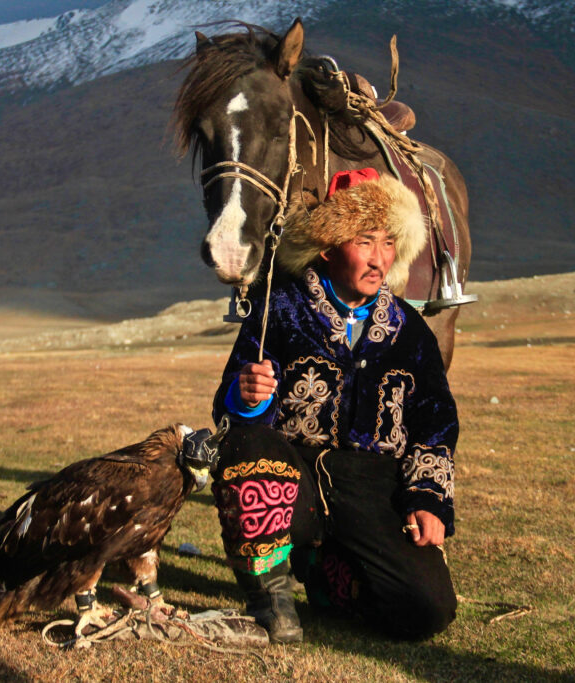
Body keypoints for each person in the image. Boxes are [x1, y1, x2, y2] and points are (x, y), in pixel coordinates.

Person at [210, 168, 459, 643]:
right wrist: (245, 399)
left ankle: (326, 571)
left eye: (389, 244)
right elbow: (231, 412)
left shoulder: (410, 331)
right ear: (328, 247)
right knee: (246, 447)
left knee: (426, 611)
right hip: (293, 474)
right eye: (365, 242)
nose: (379, 260)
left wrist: (428, 498)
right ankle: (271, 598)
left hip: (373, 483)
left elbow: (437, 419)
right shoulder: (278, 309)